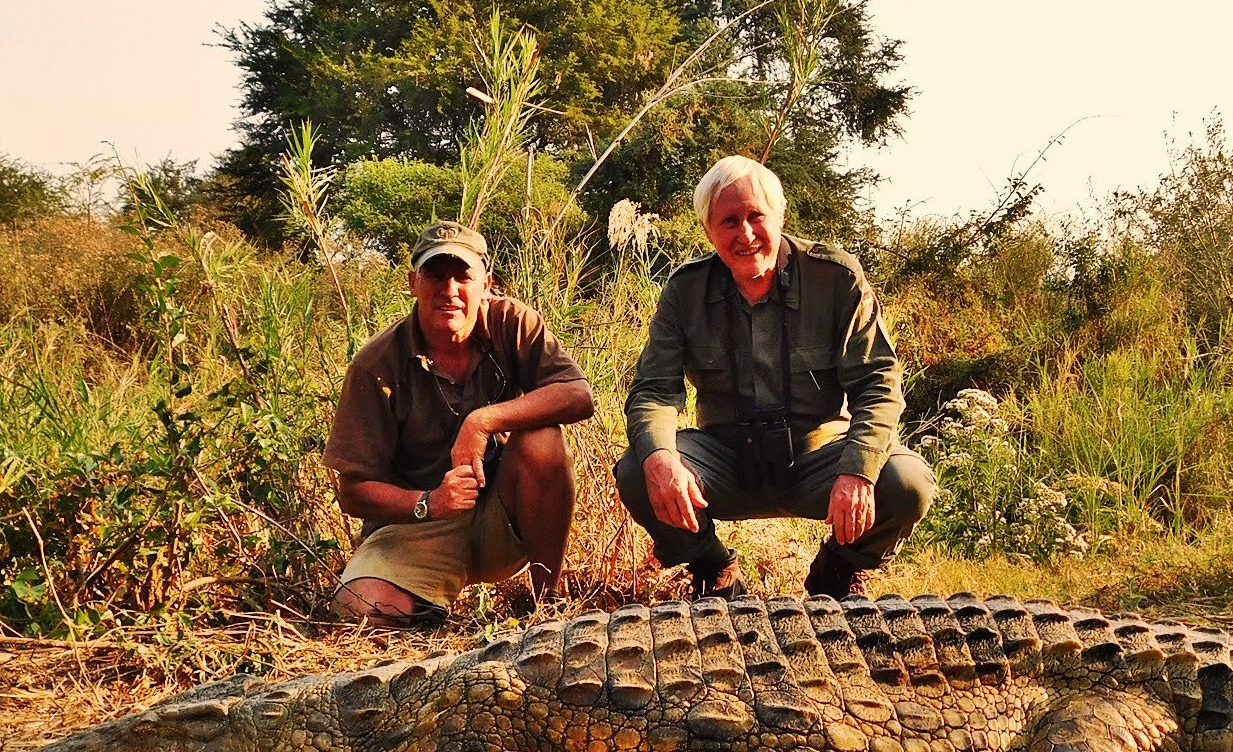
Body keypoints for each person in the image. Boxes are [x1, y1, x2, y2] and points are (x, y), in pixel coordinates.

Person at [615, 155, 934, 600]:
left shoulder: (835, 277)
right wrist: (661, 459)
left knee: (906, 483)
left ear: (779, 217)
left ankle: (838, 571)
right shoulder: (685, 290)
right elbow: (654, 390)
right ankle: (713, 569)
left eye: (755, 216)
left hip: (817, 456)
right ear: (708, 230)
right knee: (638, 467)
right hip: (725, 458)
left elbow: (877, 382)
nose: (745, 235)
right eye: (728, 221)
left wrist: (859, 471)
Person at [323, 220, 594, 627]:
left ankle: (549, 603)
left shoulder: (512, 323)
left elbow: (578, 395)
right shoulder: (375, 364)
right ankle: (432, 614)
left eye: (462, 275)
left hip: (502, 514)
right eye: (435, 274)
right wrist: (428, 503)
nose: (449, 290)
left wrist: (481, 421)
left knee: (541, 437)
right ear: (413, 282)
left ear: (486, 283)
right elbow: (353, 492)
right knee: (360, 605)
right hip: (417, 526)